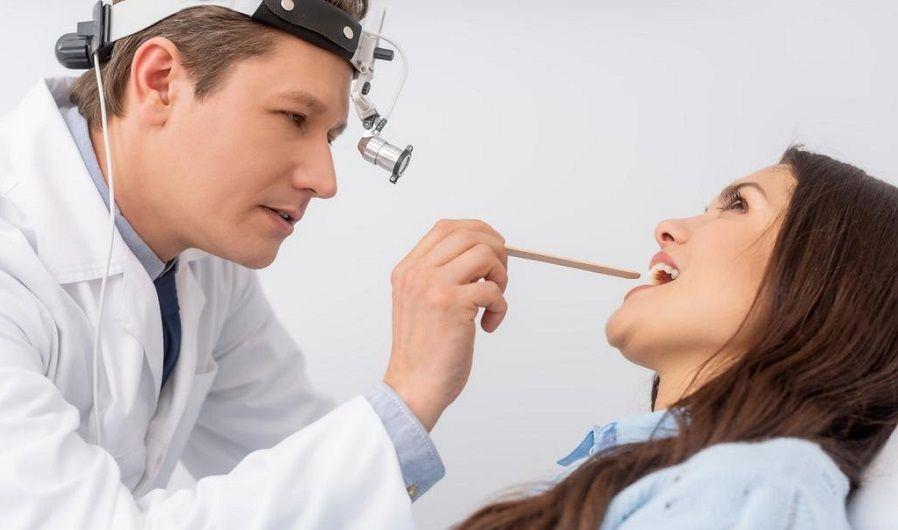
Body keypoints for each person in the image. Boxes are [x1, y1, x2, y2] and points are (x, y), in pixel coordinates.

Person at [0, 2, 509, 528]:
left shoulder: (201, 263)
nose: (325, 181)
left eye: (329, 136)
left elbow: (297, 466)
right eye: (294, 118)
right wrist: (410, 391)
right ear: (160, 82)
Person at [456, 147, 898, 529]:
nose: (666, 227)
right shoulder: (697, 483)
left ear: (820, 286)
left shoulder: (756, 487)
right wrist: (419, 391)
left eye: (738, 205)